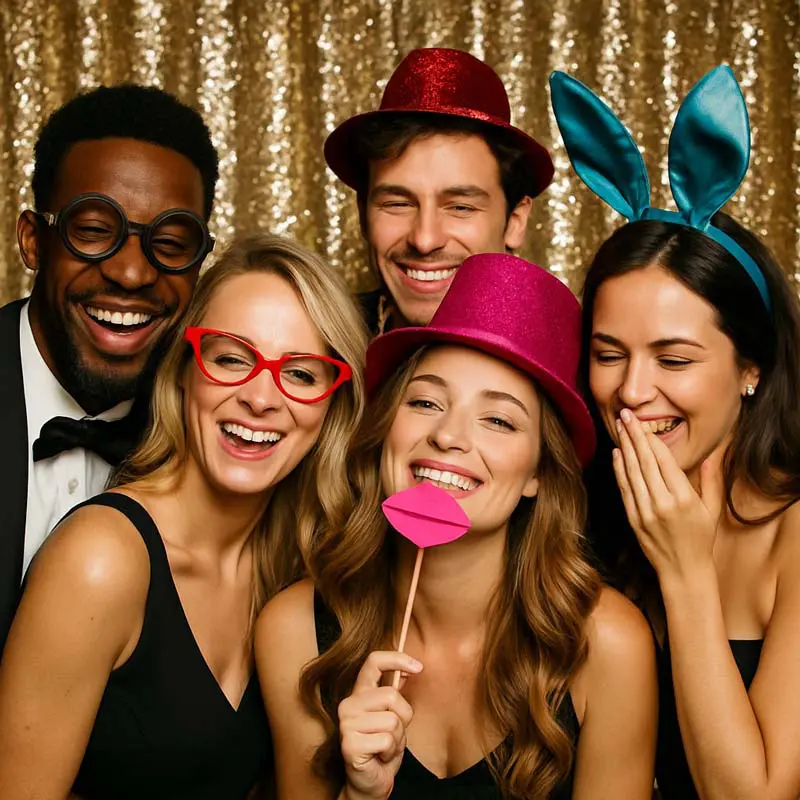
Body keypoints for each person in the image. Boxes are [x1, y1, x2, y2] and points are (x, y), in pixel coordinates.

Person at [256, 253, 657, 799]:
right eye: (424, 401)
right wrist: (360, 794)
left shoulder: (607, 645)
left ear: (539, 471)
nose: (448, 436)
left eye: (498, 419)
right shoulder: (295, 630)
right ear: (385, 430)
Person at [0, 235, 368, 800]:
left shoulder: (297, 576)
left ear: (332, 404)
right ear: (183, 371)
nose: (262, 398)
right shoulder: (101, 559)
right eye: (231, 358)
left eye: (300, 373)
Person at [552, 67, 800, 798]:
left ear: (751, 366)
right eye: (607, 354)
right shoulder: (577, 513)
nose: (631, 391)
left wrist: (687, 573)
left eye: (675, 358)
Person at [0, 84, 220, 653]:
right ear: (32, 240)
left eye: (171, 242)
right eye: (95, 230)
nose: (130, 273)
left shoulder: (223, 435)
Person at [324, 47, 554, 334]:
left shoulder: (574, 362)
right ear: (362, 213)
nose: (424, 240)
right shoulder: (322, 348)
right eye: (397, 204)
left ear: (515, 221)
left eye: (460, 207)